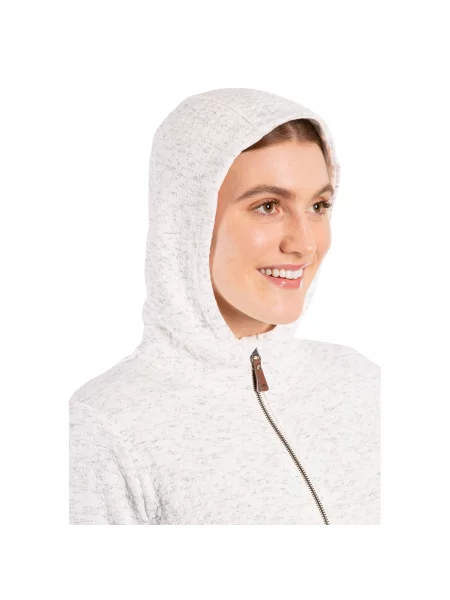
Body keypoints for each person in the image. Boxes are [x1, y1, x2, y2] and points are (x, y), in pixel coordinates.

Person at [69, 87, 380, 525]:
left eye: (318, 205)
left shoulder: (364, 383)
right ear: (187, 220)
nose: (305, 244)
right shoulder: (105, 426)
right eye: (268, 206)